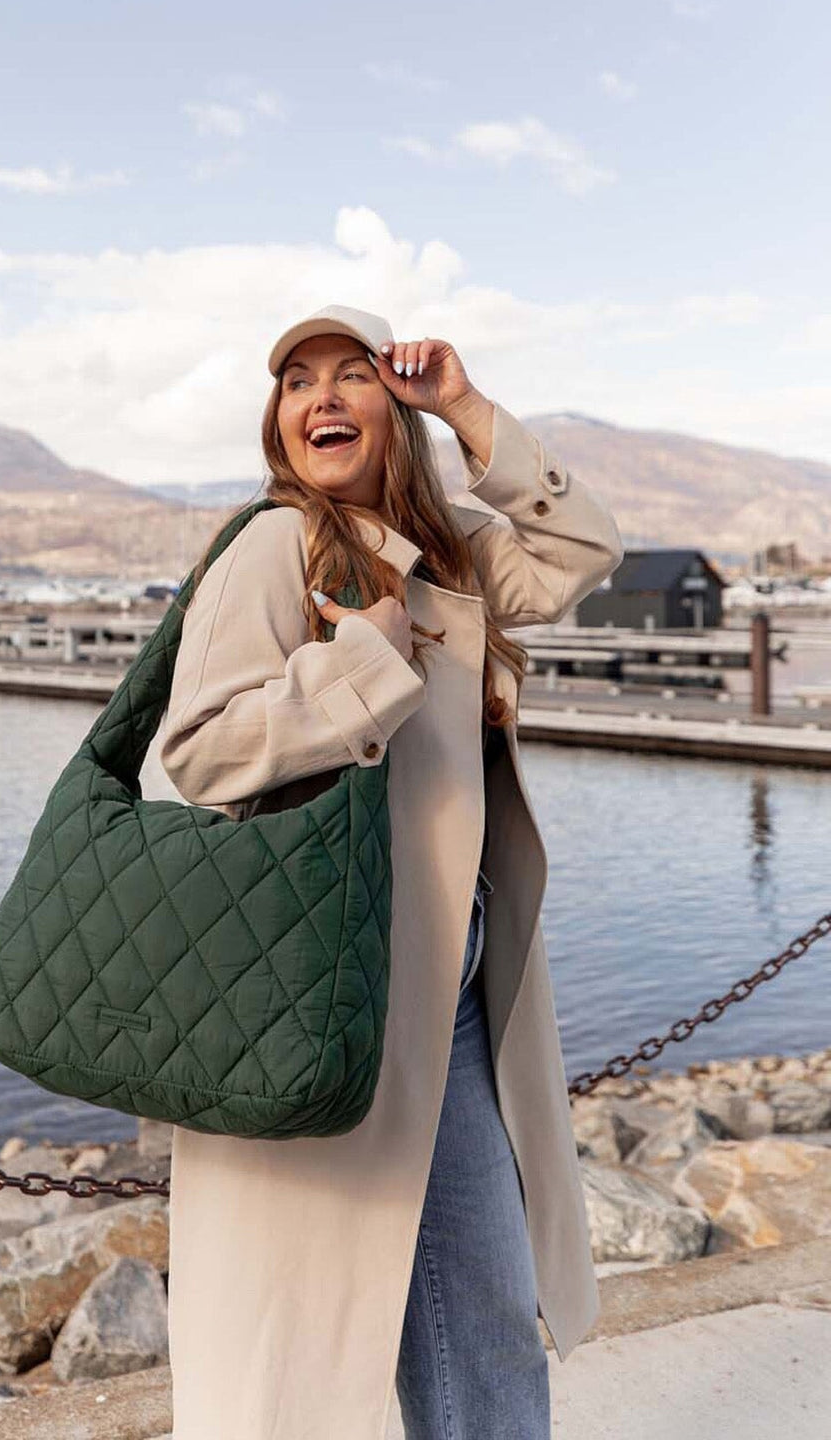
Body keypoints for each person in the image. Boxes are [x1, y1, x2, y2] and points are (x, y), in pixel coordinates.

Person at [157, 304, 625, 1439]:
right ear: (277, 423)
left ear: (393, 408)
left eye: (352, 374)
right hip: (334, 993)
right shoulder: (273, 546)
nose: (320, 397)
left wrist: (465, 407)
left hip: (452, 1002)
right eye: (296, 381)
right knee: (305, 1354)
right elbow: (200, 751)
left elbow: (581, 551)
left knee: (489, 1320)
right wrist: (370, 664)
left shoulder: (451, 547)